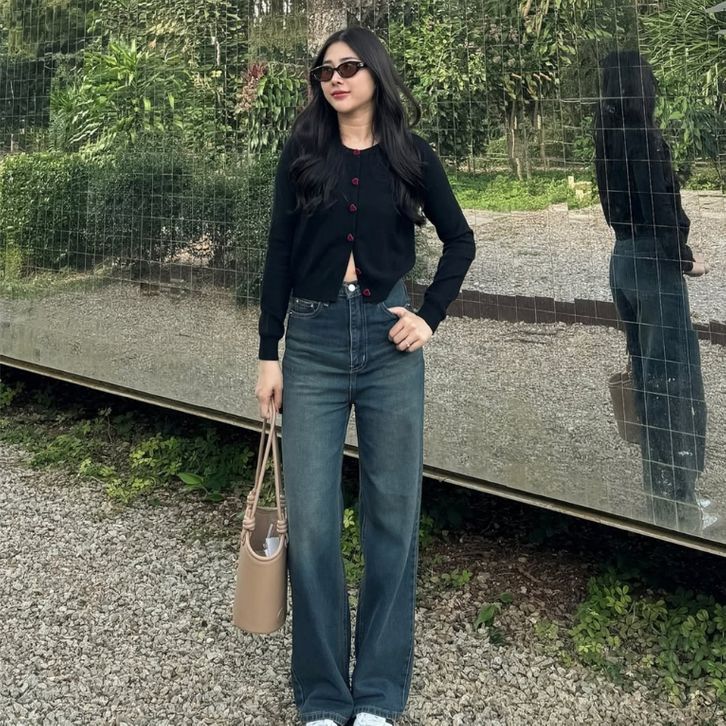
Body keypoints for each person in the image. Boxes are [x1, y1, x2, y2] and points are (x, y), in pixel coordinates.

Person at [254, 26, 475, 726]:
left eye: (349, 67)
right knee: (314, 523)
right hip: (313, 345)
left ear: (375, 72)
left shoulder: (411, 155)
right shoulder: (303, 151)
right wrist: (268, 352)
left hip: (390, 346)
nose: (336, 79)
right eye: (325, 71)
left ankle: (378, 692)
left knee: (392, 516)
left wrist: (429, 316)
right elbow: (279, 251)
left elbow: (461, 240)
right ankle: (324, 695)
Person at [594, 50, 712, 535]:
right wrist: (684, 258)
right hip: (653, 265)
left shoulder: (605, 135)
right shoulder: (642, 137)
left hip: (622, 260)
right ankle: (681, 505)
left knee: (648, 381)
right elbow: (658, 206)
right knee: (673, 382)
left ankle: (660, 496)